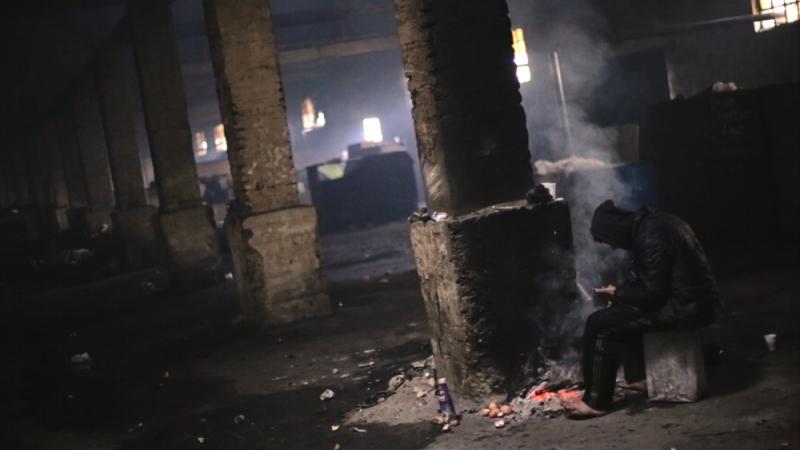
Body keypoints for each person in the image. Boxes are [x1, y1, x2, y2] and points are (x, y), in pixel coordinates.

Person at [564, 200, 720, 418]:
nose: (614, 247)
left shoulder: (650, 237)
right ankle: (639, 377)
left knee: (598, 324)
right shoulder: (655, 224)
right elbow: (655, 283)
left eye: (611, 241)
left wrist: (617, 294)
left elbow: (654, 295)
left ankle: (596, 401)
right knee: (621, 314)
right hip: (692, 302)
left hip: (684, 310)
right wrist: (621, 295)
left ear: (615, 231)